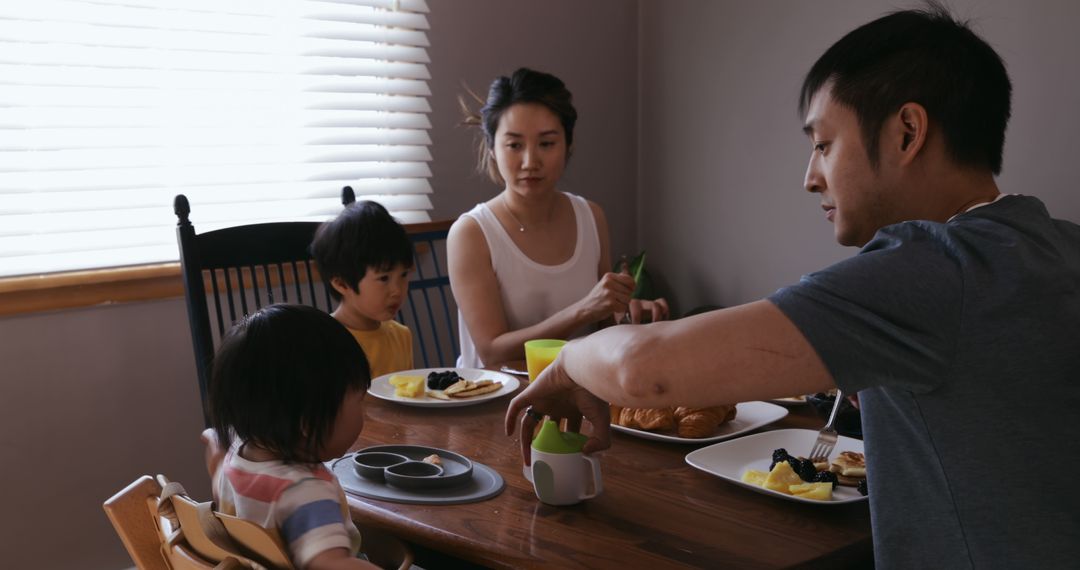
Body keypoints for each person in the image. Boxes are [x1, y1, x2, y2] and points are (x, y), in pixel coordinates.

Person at [505, 5, 1080, 569]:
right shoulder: (1054, 245)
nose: (810, 177)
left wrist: (570, 360)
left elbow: (643, 368)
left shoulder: (933, 267)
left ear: (908, 131)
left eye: (824, 144)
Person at [449, 67, 669, 368]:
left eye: (547, 143)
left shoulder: (591, 216)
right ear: (491, 149)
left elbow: (602, 324)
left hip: (578, 394)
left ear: (568, 145)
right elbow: (492, 351)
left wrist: (630, 315)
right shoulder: (472, 233)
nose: (530, 161)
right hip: (497, 404)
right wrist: (583, 310)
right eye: (514, 145)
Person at [203, 304, 379, 569]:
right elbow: (330, 564)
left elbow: (217, 467)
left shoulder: (236, 458)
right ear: (308, 422)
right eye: (359, 400)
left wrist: (215, 446)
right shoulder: (306, 491)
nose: (363, 412)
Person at [311, 200, 414, 378]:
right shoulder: (326, 343)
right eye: (384, 278)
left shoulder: (401, 335)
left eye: (403, 275)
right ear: (342, 284)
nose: (397, 290)